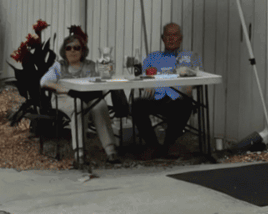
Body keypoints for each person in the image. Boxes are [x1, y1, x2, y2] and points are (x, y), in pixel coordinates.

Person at [40, 29, 120, 170]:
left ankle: (111, 151)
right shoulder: (59, 66)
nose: (73, 51)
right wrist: (63, 89)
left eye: (77, 47)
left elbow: (105, 79)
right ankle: (80, 154)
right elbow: (44, 82)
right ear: (64, 51)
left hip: (89, 96)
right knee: (79, 106)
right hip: (64, 97)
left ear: (83, 50)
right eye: (69, 48)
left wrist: (107, 69)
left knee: (100, 105)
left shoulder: (91, 65)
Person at [131, 22, 201, 159]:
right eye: (168, 35)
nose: (171, 38)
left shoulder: (189, 56)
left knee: (185, 103)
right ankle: (153, 145)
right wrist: (148, 82)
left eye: (174, 35)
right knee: (137, 104)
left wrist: (190, 84)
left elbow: (198, 77)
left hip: (179, 98)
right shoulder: (154, 57)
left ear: (180, 38)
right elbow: (145, 74)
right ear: (162, 38)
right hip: (158, 98)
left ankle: (169, 144)